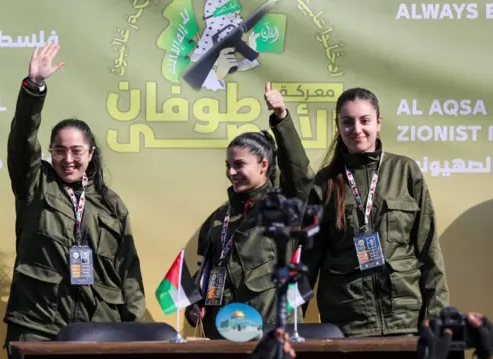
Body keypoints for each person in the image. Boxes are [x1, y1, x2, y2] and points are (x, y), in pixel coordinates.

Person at [264, 83, 449, 337]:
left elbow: (429, 251)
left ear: (378, 122)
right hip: (347, 324)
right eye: (347, 122)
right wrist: (287, 326)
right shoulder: (326, 182)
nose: (357, 129)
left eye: (365, 120)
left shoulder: (405, 171)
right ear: (338, 126)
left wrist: (436, 319)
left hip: (405, 322)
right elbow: (308, 261)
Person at [3, 43, 145, 354]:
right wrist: (34, 88)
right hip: (39, 327)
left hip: (100, 330)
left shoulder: (111, 204)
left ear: (91, 154)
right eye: (59, 150)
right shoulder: (35, 183)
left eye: (76, 151)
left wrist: (134, 333)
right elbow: (22, 140)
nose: (68, 159)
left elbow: (129, 272)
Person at [185, 129, 304, 339]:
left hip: (270, 332)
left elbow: (301, 175)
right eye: (228, 166)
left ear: (263, 165)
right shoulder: (218, 217)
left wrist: (281, 119)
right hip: (222, 333)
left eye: (239, 165)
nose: (231, 172)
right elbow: (206, 269)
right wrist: (195, 302)